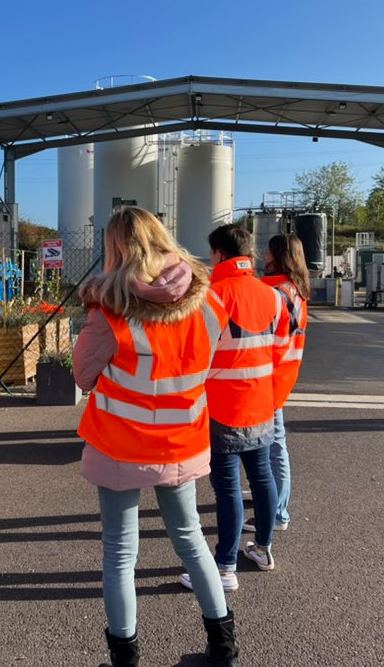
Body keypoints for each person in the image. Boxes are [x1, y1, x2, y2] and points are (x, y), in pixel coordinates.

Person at [72, 206, 239, 667]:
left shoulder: (110, 311)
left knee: (119, 553)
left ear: (116, 248)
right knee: (192, 541)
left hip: (120, 444)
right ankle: (224, 647)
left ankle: (125, 658)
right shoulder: (209, 302)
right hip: (182, 440)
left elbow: (83, 376)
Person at [179, 225, 289, 592]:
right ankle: (263, 549)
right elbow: (280, 353)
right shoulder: (273, 297)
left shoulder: (211, 297)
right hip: (262, 403)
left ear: (218, 254)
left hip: (221, 407)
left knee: (227, 489)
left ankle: (225, 567)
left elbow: (194, 355)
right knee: (262, 477)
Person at [247, 233, 310, 535]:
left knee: (274, 446)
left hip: (269, 377)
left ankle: (277, 512)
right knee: (274, 444)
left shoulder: (277, 292)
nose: (264, 257)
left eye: (269, 252)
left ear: (279, 256)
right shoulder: (294, 289)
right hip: (283, 374)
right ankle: (272, 498)